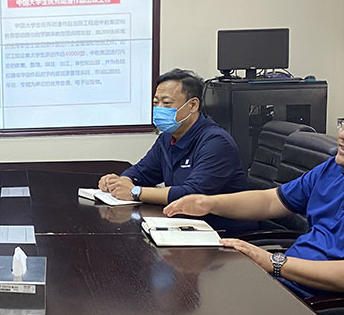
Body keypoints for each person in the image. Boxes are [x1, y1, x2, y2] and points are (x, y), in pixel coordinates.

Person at [164, 85, 344, 298]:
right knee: (183, 288)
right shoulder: (335, 169)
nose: (343, 135)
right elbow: (271, 201)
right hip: (285, 285)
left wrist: (272, 262)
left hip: (326, 312)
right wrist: (208, 202)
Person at [98, 68, 252, 233]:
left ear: (192, 105)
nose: (159, 108)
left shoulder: (216, 142)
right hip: (183, 225)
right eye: (155, 103)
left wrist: (135, 191)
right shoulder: (167, 137)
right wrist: (119, 182)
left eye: (166, 103)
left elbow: (192, 195)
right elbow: (142, 172)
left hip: (222, 233)